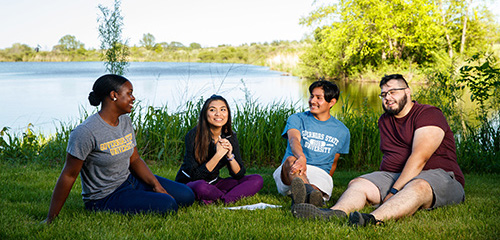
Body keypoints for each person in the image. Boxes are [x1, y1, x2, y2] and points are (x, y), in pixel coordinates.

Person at [292, 74, 465, 227]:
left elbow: (420, 157)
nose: (387, 97)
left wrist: (393, 192)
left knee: (418, 186)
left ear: (407, 91)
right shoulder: (385, 120)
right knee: (358, 184)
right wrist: (383, 184)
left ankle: (371, 219)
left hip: (438, 175)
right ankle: (334, 213)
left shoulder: (428, 114)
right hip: (397, 174)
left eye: (392, 92)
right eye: (383, 94)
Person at [44, 74, 195, 224]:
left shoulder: (125, 121)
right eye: (129, 93)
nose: (133, 98)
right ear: (114, 95)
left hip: (130, 180)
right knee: (168, 205)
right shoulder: (85, 132)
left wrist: (156, 185)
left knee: (186, 195)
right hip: (105, 197)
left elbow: (135, 159)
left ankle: (144, 194)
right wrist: (51, 217)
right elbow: (69, 175)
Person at [273, 80, 350, 207]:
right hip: (290, 172)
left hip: (319, 174)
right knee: (291, 160)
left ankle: (306, 194)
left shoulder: (342, 131)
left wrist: (325, 179)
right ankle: (310, 194)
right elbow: (293, 140)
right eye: (312, 96)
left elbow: (333, 163)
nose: (312, 101)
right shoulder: (297, 118)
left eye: (319, 98)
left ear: (332, 102)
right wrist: (301, 158)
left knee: (314, 188)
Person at [175, 95, 263, 204]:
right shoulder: (193, 135)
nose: (218, 114)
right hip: (191, 183)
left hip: (214, 182)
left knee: (256, 180)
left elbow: (239, 174)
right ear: (205, 114)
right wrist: (218, 155)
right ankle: (225, 196)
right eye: (212, 110)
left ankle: (221, 199)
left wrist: (230, 156)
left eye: (223, 109)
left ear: (228, 113)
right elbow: (196, 176)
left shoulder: (230, 136)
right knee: (200, 187)